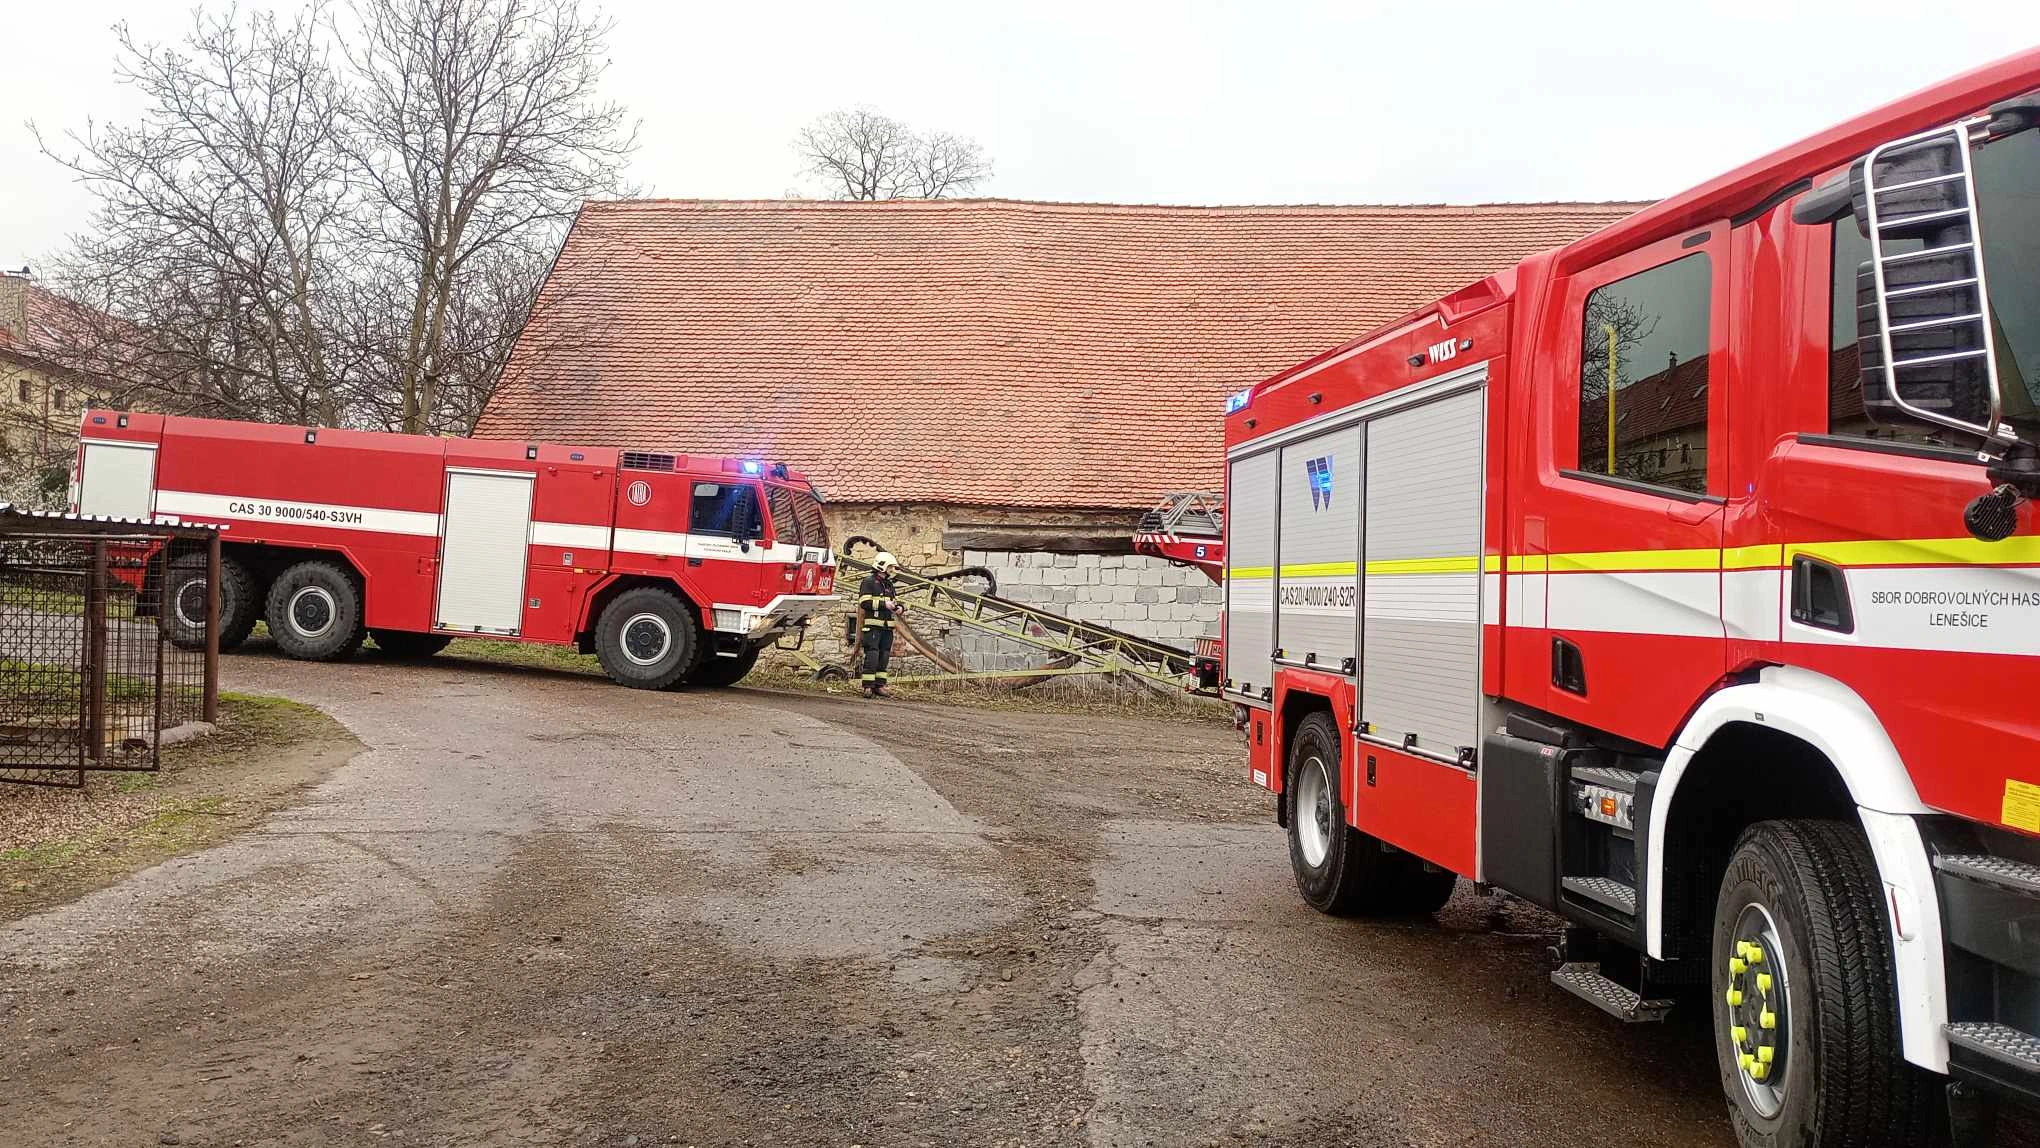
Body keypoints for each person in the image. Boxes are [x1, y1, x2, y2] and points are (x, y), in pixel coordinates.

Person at [855, 552, 905, 698]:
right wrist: (884, 604)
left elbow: (895, 601)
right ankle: (868, 686)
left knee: (884, 656)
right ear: (882, 566)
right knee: (872, 655)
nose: (892, 570)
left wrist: (900, 608)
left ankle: (880, 685)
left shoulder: (889, 584)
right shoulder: (869, 582)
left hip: (887, 627)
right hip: (873, 627)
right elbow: (864, 602)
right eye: (890, 567)